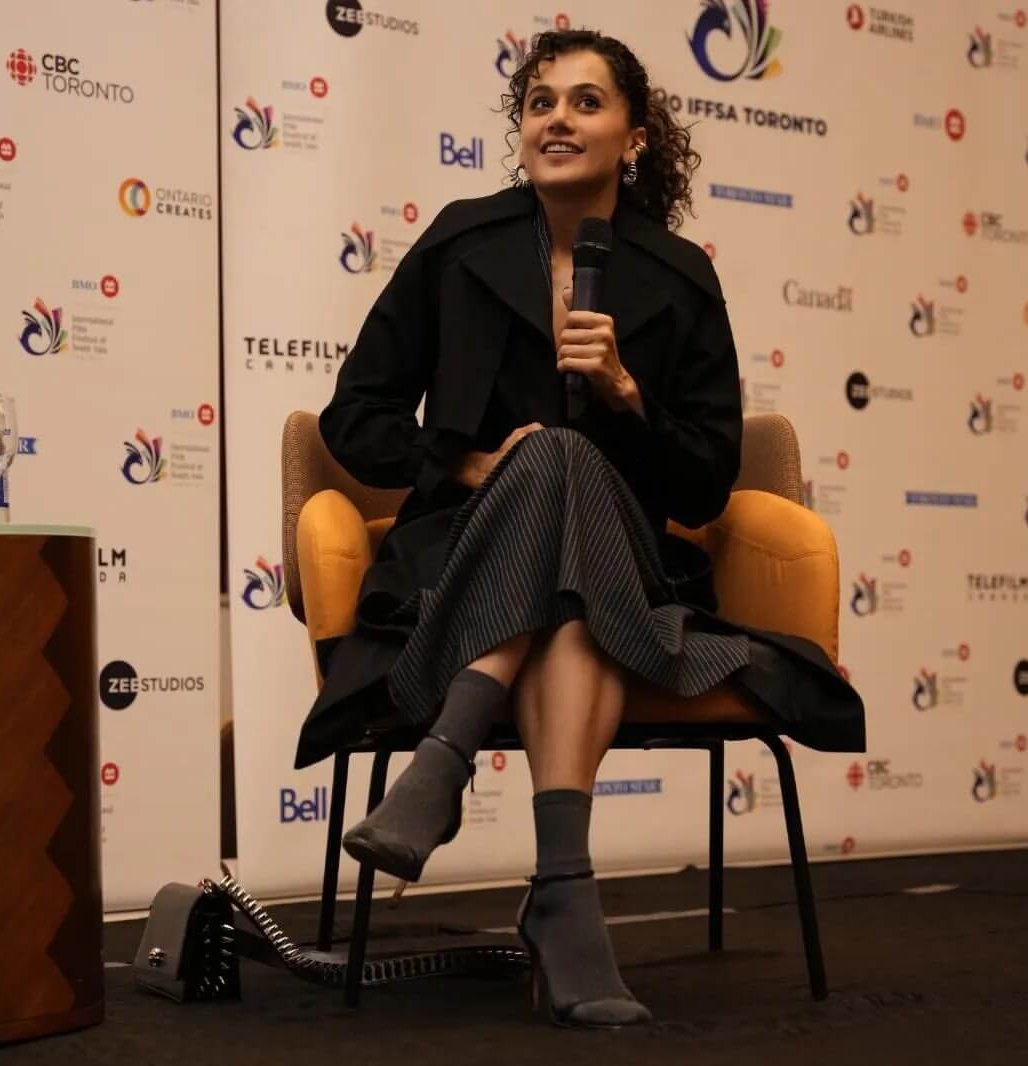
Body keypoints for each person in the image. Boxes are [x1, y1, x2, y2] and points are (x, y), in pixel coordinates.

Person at [296, 28, 865, 1029]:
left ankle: (448, 755)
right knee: (550, 491)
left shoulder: (679, 274)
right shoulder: (459, 245)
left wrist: (627, 394)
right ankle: (563, 893)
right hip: (459, 558)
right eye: (540, 101)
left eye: (586, 101)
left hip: (634, 559)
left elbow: (705, 481)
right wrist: (469, 461)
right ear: (521, 130)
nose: (557, 117)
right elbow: (355, 420)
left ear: (633, 136)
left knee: (567, 464)